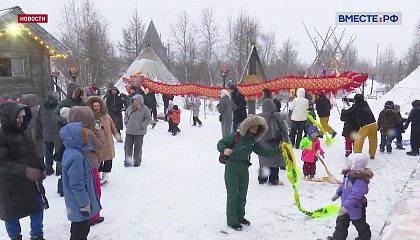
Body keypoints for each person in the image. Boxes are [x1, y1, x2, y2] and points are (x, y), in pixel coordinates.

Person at [217, 115, 283, 231]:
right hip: (232, 168)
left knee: (242, 195)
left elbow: (265, 153)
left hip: (244, 168)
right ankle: (232, 221)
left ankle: (240, 217)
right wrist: (225, 150)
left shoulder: (252, 141)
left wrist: (279, 149)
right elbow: (220, 144)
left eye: (257, 128)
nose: (255, 130)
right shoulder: (235, 136)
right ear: (247, 127)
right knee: (233, 195)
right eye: (254, 127)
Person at [0, 101, 48, 240]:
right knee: (11, 213)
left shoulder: (25, 131)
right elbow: (2, 162)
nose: (21, 120)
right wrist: (25, 170)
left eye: (22, 116)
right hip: (10, 183)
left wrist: (40, 166)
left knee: (38, 206)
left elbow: (33, 152)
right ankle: (15, 236)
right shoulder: (2, 135)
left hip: (30, 181)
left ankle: (37, 234)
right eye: (18, 117)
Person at [60, 122, 101, 240]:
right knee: (80, 230)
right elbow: (77, 184)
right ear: (75, 138)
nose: (87, 139)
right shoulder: (76, 157)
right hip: (79, 203)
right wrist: (84, 204)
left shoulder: (72, 152)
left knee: (80, 228)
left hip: (76, 202)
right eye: (84, 137)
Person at [68, 106, 104, 226]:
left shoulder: (69, 131)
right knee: (94, 189)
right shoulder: (88, 133)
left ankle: (82, 214)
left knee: (81, 190)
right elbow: (99, 145)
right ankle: (93, 216)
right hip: (90, 164)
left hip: (75, 165)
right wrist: (99, 132)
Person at [328, 153, 373, 240]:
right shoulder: (349, 175)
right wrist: (337, 193)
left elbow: (355, 196)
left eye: (350, 163)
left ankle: (364, 237)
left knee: (359, 223)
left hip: (356, 207)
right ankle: (338, 237)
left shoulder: (360, 181)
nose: (348, 164)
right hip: (346, 204)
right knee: (341, 222)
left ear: (356, 165)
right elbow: (343, 185)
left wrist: (346, 207)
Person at [86, 96, 122, 185]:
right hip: (99, 142)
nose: (97, 108)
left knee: (108, 159)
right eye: (95, 106)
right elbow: (96, 129)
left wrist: (117, 135)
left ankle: (105, 176)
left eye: (98, 106)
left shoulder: (106, 115)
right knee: (98, 159)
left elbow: (112, 126)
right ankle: (97, 175)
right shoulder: (92, 117)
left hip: (108, 141)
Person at [257, 98, 290, 185]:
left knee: (264, 161)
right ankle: (274, 179)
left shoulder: (259, 116)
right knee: (275, 161)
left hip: (262, 142)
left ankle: (262, 178)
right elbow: (284, 129)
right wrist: (286, 140)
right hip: (275, 141)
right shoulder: (276, 115)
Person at [341, 94, 377, 159]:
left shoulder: (355, 108)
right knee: (373, 141)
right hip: (374, 124)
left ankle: (357, 155)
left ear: (356, 100)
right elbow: (358, 101)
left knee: (358, 141)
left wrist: (343, 111)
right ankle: (372, 154)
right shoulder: (365, 104)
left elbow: (346, 113)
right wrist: (348, 100)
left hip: (365, 126)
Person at [124, 94, 152, 167]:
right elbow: (126, 115)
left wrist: (142, 125)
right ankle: (128, 161)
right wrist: (126, 122)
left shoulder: (145, 109)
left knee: (138, 147)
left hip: (139, 131)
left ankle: (137, 161)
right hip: (129, 131)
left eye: (137, 101)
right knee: (127, 147)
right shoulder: (130, 108)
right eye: (134, 101)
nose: (135, 102)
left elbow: (148, 118)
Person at [39, 91, 60, 175]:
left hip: (46, 133)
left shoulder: (42, 107)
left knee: (48, 151)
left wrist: (41, 131)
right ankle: (59, 169)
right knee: (59, 151)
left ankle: (48, 167)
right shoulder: (58, 107)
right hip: (57, 132)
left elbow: (39, 121)